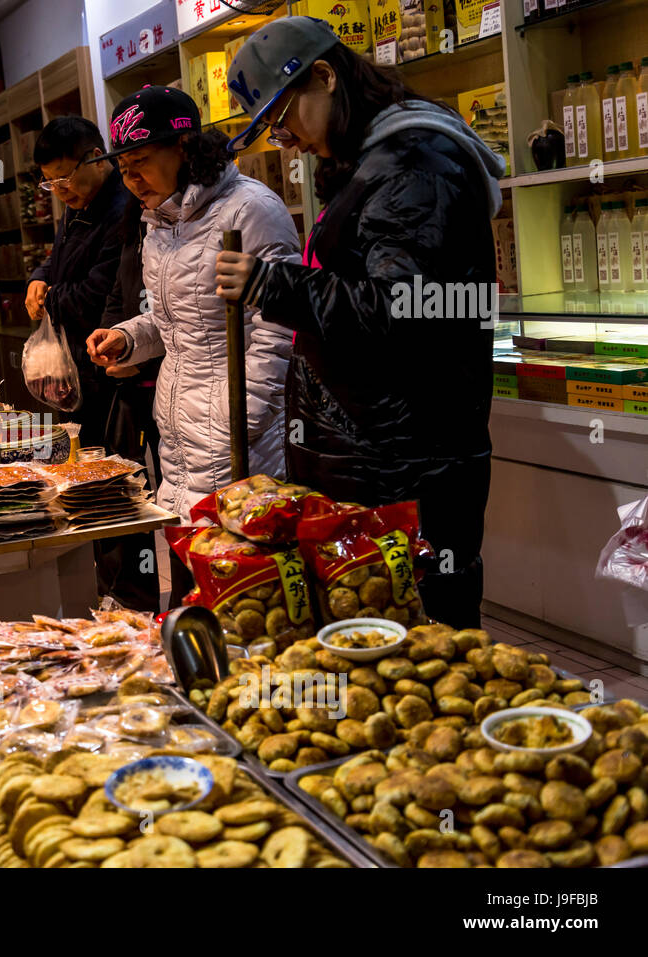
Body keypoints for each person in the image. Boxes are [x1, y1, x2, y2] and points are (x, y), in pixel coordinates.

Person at [213, 17, 501, 629]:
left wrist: (271, 284)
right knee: (374, 629)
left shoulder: (416, 167)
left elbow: (401, 309)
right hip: (381, 456)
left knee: (422, 636)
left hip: (408, 464)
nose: (283, 140)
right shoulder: (377, 161)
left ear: (324, 75)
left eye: (282, 116)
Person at [85, 86, 300, 529]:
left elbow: (279, 326)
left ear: (183, 147)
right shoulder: (159, 223)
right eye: (124, 169)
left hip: (241, 436)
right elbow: (178, 322)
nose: (132, 180)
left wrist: (239, 415)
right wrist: (128, 339)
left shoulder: (250, 209)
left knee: (242, 581)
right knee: (194, 573)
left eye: (141, 162)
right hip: (179, 432)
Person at [25, 116, 131, 449]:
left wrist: (50, 299)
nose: (58, 190)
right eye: (49, 183)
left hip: (109, 362)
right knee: (80, 459)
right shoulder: (80, 199)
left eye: (64, 178)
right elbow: (61, 260)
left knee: (110, 470)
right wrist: (39, 278)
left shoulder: (124, 207)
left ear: (97, 158)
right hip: (78, 366)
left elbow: (98, 292)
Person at [93, 195, 164, 612]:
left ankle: (159, 598)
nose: (136, 179)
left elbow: (181, 323)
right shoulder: (134, 227)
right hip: (130, 391)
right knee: (129, 494)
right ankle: (130, 594)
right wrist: (112, 338)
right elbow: (117, 297)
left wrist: (139, 357)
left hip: (165, 386)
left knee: (164, 501)